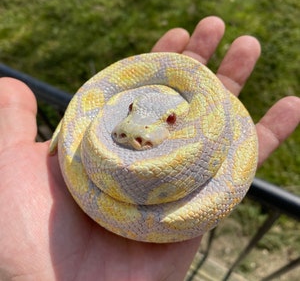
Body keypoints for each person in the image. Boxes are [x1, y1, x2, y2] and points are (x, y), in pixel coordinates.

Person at [0, 16, 299, 281]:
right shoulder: (115, 127)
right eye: (130, 108)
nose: (134, 135)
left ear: (187, 118)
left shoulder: (211, 118)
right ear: (130, 102)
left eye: (170, 121)